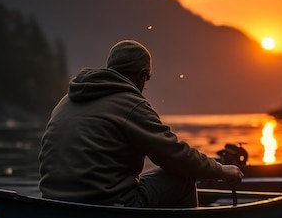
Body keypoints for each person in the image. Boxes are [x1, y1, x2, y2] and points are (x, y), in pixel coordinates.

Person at [38, 39, 243, 208]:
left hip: (56, 205)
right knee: (185, 177)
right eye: (147, 78)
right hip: (106, 207)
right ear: (141, 75)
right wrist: (221, 170)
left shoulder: (66, 101)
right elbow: (175, 155)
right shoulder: (130, 104)